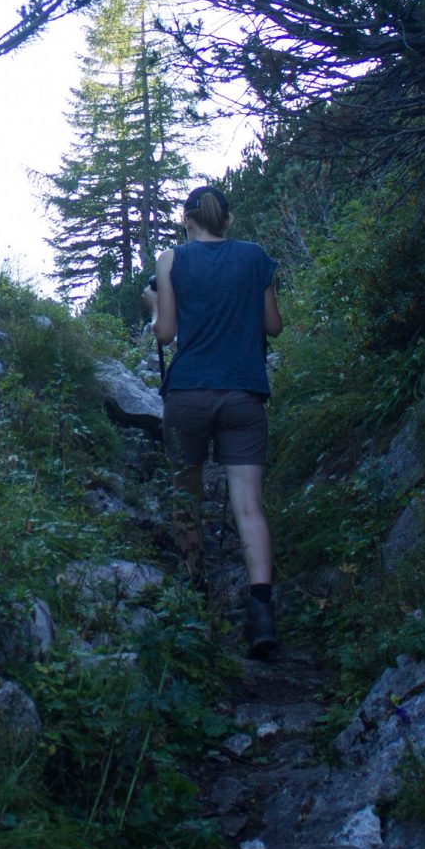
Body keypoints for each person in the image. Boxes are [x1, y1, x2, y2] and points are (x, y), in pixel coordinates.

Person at [141, 185, 284, 656]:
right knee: (249, 507)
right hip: (243, 392)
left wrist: (153, 303)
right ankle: (261, 612)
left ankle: (194, 590)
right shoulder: (255, 257)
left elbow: (166, 332)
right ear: (227, 219)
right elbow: (273, 326)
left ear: (188, 219)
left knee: (188, 496)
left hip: (188, 394)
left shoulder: (172, 259)